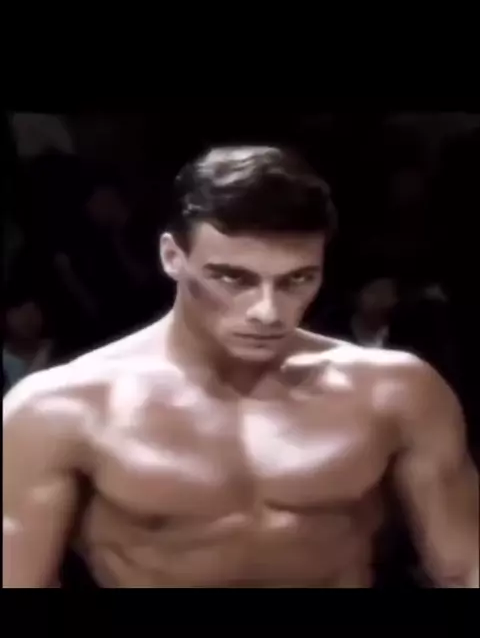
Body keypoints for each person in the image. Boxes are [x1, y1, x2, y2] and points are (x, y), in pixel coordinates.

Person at [3, 145, 478, 588]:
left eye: (297, 279)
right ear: (172, 257)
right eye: (234, 278)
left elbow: (465, 566)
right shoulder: (60, 409)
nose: (267, 311)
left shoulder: (395, 391)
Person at [3, 295, 55, 394]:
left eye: (34, 309)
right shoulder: (5, 360)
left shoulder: (57, 350)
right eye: (19, 310)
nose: (28, 317)